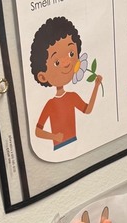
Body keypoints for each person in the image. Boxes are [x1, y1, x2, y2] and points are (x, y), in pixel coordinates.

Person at [30, 16, 102, 150]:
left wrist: (96, 86)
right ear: (43, 76)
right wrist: (54, 136)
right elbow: (38, 131)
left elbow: (87, 110)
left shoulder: (72, 97)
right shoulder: (50, 104)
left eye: (71, 54)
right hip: (59, 147)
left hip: (75, 143)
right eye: (56, 62)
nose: (66, 63)